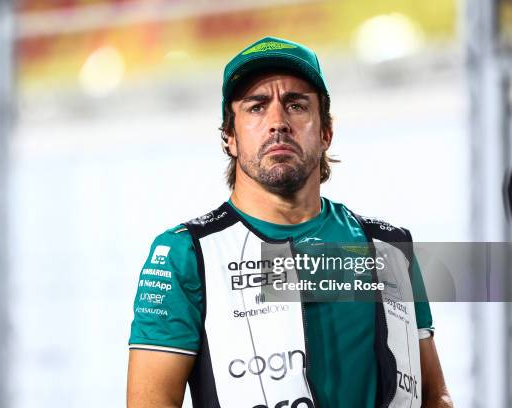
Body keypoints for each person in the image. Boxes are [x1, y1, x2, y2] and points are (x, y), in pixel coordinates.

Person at [127, 36, 453, 408]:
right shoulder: (184, 254)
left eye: (296, 105)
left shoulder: (390, 247)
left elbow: (434, 395)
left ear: (326, 131)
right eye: (256, 108)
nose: (277, 122)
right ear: (229, 137)